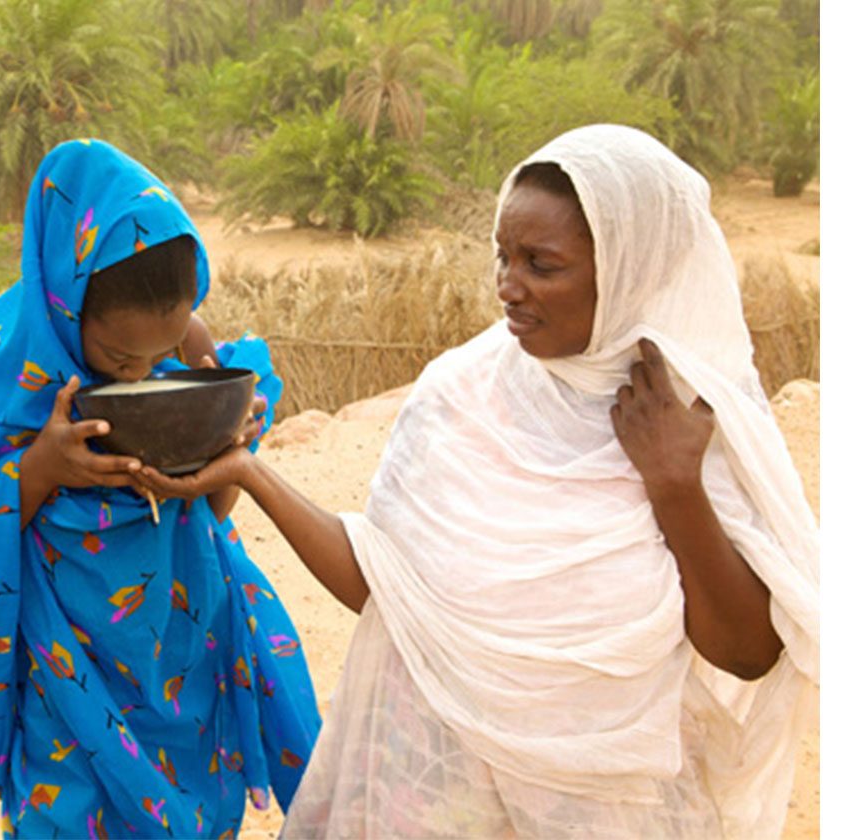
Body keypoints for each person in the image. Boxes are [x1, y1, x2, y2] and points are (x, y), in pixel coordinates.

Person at [134, 124, 820, 838]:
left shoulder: (688, 417)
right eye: (502, 255)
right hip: (439, 803)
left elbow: (747, 652)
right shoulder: (460, 396)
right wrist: (251, 472)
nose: (507, 286)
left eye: (540, 264)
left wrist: (675, 486)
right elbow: (389, 592)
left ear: (628, 268)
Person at [0, 139, 320, 839]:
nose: (140, 371)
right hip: (67, 682)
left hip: (187, 659)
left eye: (159, 354)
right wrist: (40, 469)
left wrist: (225, 441)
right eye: (121, 358)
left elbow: (208, 513)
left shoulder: (187, 351)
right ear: (65, 296)